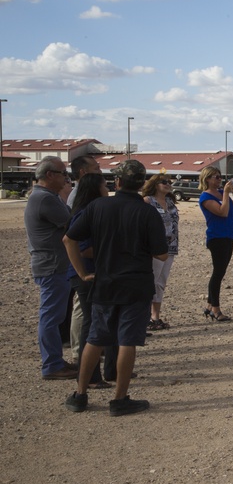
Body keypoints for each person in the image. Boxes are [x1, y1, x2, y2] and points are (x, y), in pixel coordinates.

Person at [63, 159, 168, 417]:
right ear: (142, 183)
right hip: (136, 284)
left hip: (105, 282)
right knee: (127, 341)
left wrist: (82, 273)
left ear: (117, 182)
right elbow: (162, 254)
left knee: (95, 339)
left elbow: (69, 239)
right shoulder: (147, 212)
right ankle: (120, 399)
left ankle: (80, 394)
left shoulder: (98, 206)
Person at [25, 156, 77, 380]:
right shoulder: (45, 199)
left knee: (53, 315)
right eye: (63, 174)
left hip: (53, 264)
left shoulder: (46, 197)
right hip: (52, 266)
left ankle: (55, 360)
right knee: (51, 316)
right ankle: (52, 365)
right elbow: (72, 223)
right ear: (49, 175)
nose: (66, 178)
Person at [68, 173, 116, 388]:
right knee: (91, 324)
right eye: (105, 186)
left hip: (95, 273)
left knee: (100, 323)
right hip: (87, 275)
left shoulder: (93, 211)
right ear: (95, 189)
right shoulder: (84, 213)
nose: (107, 189)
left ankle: (107, 371)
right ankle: (90, 377)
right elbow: (81, 247)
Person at [66, 155, 102, 360]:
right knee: (83, 310)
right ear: (83, 172)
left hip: (90, 264)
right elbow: (72, 239)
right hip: (84, 266)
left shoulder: (86, 197)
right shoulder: (80, 198)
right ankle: (81, 353)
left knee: (88, 310)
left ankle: (91, 350)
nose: (99, 170)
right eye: (96, 168)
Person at [198, 166, 233, 321]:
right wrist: (226, 194)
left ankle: (210, 306)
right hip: (217, 237)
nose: (219, 179)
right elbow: (222, 212)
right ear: (207, 178)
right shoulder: (205, 197)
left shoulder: (222, 193)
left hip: (228, 235)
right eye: (215, 177)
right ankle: (215, 308)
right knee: (218, 273)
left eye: (220, 176)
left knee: (220, 272)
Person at [142, 174, 180, 330]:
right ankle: (143, 317)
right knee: (150, 281)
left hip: (170, 248)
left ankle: (155, 316)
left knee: (160, 283)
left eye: (169, 182)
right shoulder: (148, 201)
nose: (167, 184)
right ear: (154, 184)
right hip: (154, 249)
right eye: (163, 182)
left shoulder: (171, 202)